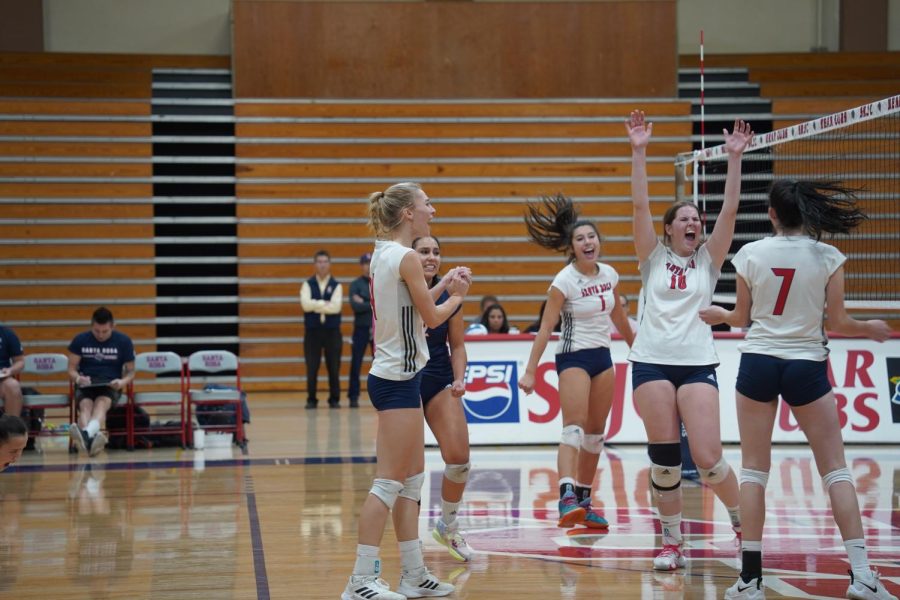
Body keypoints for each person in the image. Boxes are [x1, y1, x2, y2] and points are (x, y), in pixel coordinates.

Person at [698, 180, 896, 600]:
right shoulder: (828, 256)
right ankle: (861, 576)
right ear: (805, 213)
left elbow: (742, 317)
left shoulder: (750, 254)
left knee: (753, 471)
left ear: (771, 213)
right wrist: (871, 329)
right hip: (806, 363)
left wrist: (719, 314)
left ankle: (749, 580)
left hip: (759, 362)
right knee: (836, 471)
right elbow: (838, 322)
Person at [626, 110, 752, 570]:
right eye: (684, 218)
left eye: (696, 217)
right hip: (652, 363)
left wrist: (735, 159)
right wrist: (639, 152)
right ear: (669, 229)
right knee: (664, 461)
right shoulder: (651, 257)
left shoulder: (709, 260)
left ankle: (742, 527)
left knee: (710, 460)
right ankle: (671, 543)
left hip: (699, 363)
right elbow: (640, 207)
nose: (693, 222)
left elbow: (732, 210)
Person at [342, 182, 470, 600]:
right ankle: (361, 580)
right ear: (408, 214)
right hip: (396, 380)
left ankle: (414, 574)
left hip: (401, 377)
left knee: (412, 482)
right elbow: (432, 319)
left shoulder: (386, 252)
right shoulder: (408, 256)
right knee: (388, 483)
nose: (432, 207)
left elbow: (412, 310)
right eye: (426, 202)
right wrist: (456, 294)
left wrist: (441, 284)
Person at [518, 193, 635, 531]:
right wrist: (530, 370)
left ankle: (585, 501)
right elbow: (545, 328)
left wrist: (640, 352)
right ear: (572, 248)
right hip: (572, 357)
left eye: (591, 237)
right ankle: (566, 495)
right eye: (580, 239)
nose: (588, 242)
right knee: (573, 430)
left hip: (603, 357)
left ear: (599, 242)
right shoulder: (564, 281)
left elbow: (621, 321)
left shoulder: (610, 275)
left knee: (596, 436)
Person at [411, 235, 474, 562]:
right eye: (424, 251)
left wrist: (459, 377)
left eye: (436, 252)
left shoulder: (453, 295)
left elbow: (458, 345)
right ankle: (409, 546)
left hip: (437, 378)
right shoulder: (400, 288)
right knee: (410, 471)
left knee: (459, 460)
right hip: (404, 380)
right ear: (411, 255)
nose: (431, 257)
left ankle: (447, 526)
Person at [67, 307, 135, 456]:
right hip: (86, 383)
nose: (100, 335)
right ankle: (90, 440)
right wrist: (78, 378)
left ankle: (85, 435)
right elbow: (71, 369)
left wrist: (122, 382)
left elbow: (131, 372)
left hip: (110, 385)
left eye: (105, 331)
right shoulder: (80, 339)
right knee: (86, 406)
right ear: (91, 325)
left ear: (113, 326)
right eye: (97, 331)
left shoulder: (124, 341)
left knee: (101, 404)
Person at [300, 249, 343, 409]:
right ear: (315, 264)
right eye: (319, 262)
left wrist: (315, 304)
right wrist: (324, 304)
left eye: (325, 262)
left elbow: (336, 307)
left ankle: (334, 399)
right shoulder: (307, 284)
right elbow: (305, 305)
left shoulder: (336, 285)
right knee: (312, 367)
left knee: (334, 367)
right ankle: (311, 399)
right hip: (313, 333)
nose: (322, 265)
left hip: (332, 333)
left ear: (329, 264)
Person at [348, 252, 374, 409]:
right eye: (365, 263)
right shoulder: (355, 284)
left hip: (378, 329)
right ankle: (353, 396)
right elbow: (355, 306)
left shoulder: (379, 282)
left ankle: (378, 396)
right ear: (361, 265)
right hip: (360, 329)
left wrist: (364, 301)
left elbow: (383, 304)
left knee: (379, 364)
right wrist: (372, 302)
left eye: (370, 262)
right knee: (355, 364)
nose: (367, 266)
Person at [0, 324, 25, 420]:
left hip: (2, 379)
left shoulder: (7, 333)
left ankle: (11, 430)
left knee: (13, 386)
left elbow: (20, 361)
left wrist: (10, 370)